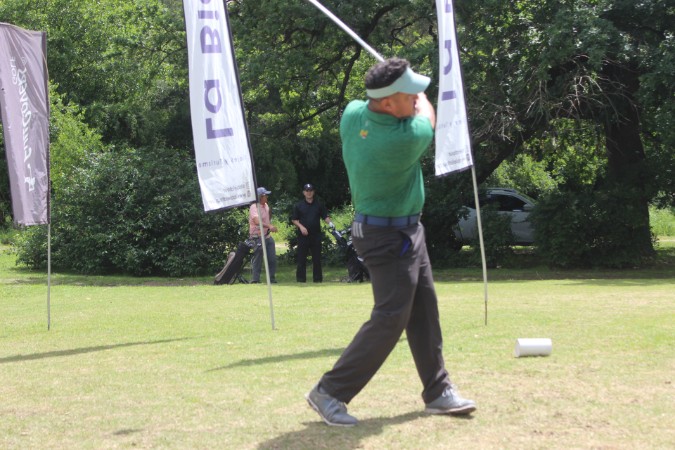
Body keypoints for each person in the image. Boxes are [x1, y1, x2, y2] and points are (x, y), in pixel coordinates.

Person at [305, 57, 476, 426]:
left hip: (404, 230)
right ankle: (330, 391)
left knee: (424, 308)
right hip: (388, 237)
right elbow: (428, 114)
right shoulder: (404, 138)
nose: (415, 96)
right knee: (391, 317)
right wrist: (420, 96)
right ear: (386, 102)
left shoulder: (352, 115)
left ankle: (438, 391)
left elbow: (366, 99)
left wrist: (392, 79)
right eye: (407, 92)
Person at [291, 183, 334, 283]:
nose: (309, 193)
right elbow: (294, 219)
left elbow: (325, 216)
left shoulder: (319, 204)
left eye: (310, 191)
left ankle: (317, 280)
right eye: (307, 191)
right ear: (304, 192)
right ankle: (301, 280)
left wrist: (330, 223)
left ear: (313, 192)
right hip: (303, 236)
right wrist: (301, 227)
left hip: (316, 235)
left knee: (317, 259)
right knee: (301, 259)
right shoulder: (298, 205)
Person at [249, 187, 278, 284]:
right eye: (265, 195)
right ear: (260, 197)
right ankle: (255, 279)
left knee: (272, 259)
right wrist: (269, 226)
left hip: (267, 235)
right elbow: (257, 221)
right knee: (258, 259)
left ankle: (271, 279)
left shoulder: (266, 205)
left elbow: (267, 219)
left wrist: (270, 227)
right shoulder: (254, 207)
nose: (267, 197)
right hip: (257, 237)